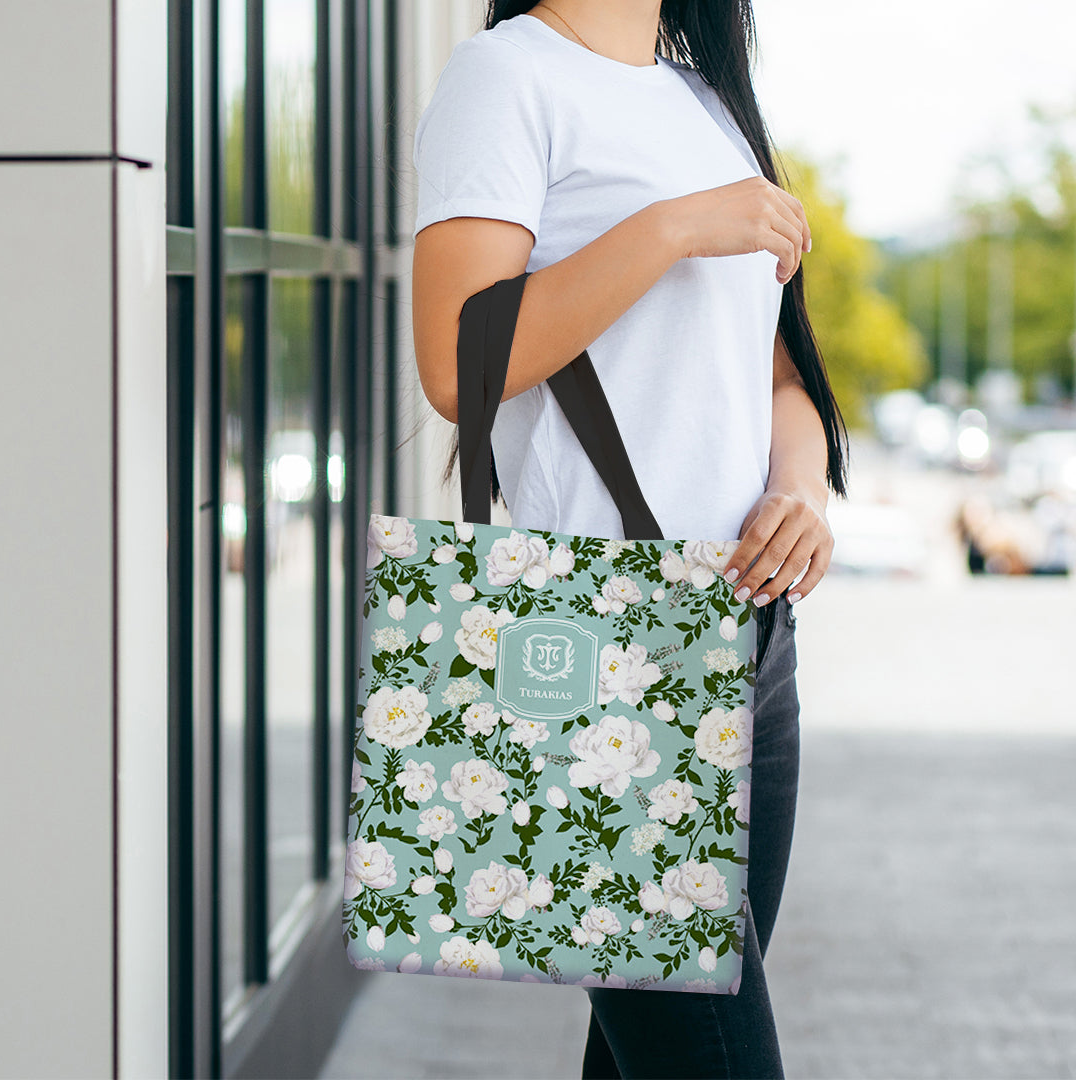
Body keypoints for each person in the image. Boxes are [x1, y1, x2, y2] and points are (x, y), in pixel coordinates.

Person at [409, 2, 849, 1076]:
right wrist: (669, 230)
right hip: (598, 650)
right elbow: (454, 361)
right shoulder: (504, 78)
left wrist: (799, 490)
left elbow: (780, 373)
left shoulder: (707, 102)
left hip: (749, 635)